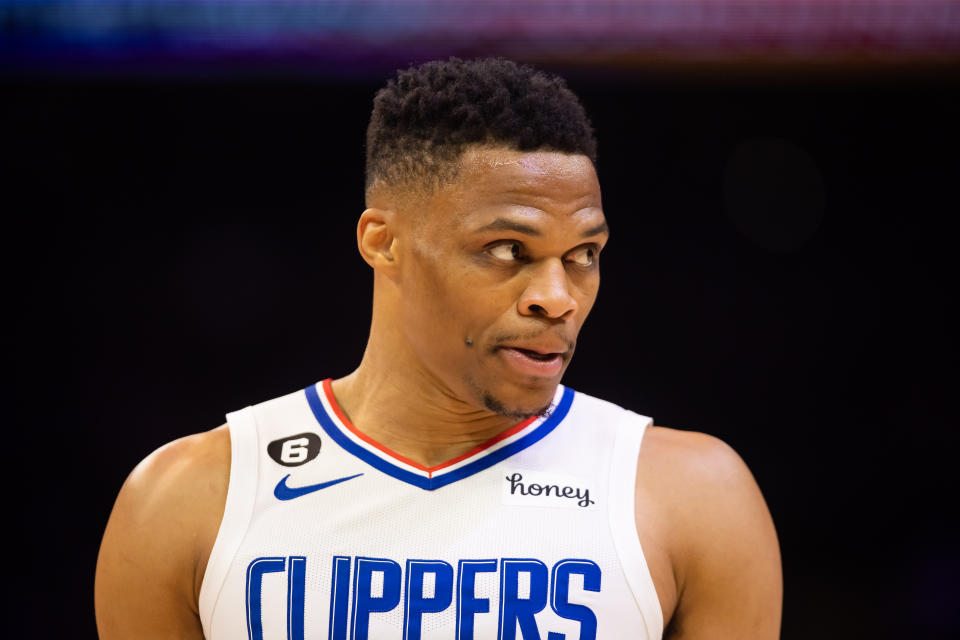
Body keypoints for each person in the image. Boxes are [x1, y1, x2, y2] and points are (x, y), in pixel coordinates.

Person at [95, 57, 782, 640]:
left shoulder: (695, 499)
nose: (558, 296)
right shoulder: (187, 502)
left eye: (583, 254)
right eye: (507, 250)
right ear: (382, 242)